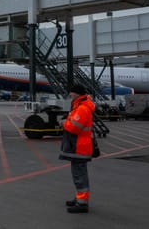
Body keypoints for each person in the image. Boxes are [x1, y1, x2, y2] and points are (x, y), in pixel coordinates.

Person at [59, 84, 95, 213]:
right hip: (79, 146)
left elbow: (75, 127)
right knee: (78, 175)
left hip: (79, 147)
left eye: (72, 93)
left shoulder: (82, 109)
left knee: (79, 176)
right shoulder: (79, 107)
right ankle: (79, 198)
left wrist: (64, 123)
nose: (70, 95)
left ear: (77, 94)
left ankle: (82, 203)